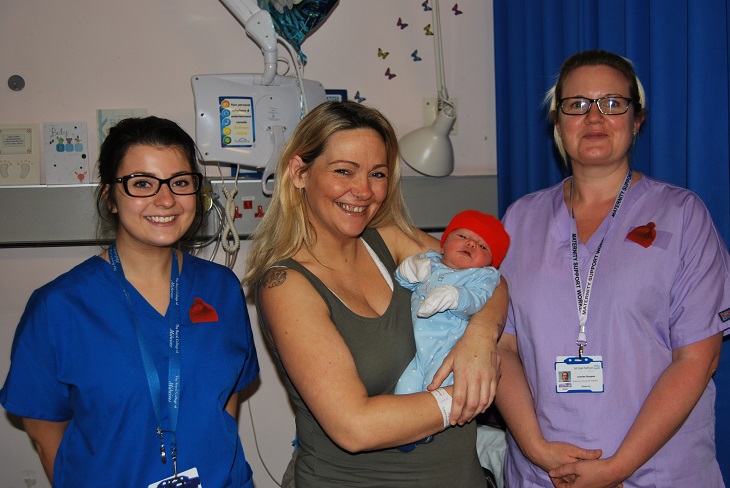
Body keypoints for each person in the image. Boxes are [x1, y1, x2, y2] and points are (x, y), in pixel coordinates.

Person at [495, 49, 730, 487]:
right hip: (543, 472)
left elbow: (698, 358)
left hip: (655, 472)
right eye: (577, 105)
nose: (594, 117)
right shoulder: (519, 219)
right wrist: (537, 450)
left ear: (637, 120)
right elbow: (502, 347)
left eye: (613, 103)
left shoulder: (682, 215)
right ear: (558, 122)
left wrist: (618, 468)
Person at [242, 100, 508, 487]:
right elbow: (356, 427)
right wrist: (469, 393)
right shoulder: (286, 285)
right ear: (300, 172)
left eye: (377, 174)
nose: (363, 191)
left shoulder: (388, 241)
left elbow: (490, 278)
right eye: (344, 171)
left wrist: (481, 339)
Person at [0, 116, 259, 487]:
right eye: (142, 184)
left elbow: (226, 400)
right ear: (110, 198)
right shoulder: (58, 308)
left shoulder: (222, 288)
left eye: (180, 182)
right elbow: (44, 434)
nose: (166, 199)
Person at [395, 209, 510, 396]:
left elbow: (477, 299)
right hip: (415, 351)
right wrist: (409, 270)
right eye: (462, 235)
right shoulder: (430, 261)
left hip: (448, 349)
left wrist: (456, 296)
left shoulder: (482, 276)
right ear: (443, 244)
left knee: (438, 391)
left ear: (490, 263)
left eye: (483, 247)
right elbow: (404, 282)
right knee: (403, 393)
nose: (471, 243)